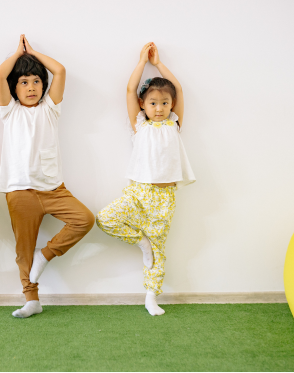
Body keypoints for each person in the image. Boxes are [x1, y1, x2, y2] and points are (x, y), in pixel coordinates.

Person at [0, 35, 94, 318]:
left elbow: (60, 70)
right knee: (23, 249)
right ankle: (32, 300)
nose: (31, 87)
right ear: (14, 88)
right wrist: (18, 54)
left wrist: (34, 53)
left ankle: (45, 256)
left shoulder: (50, 109)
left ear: (44, 86)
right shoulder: (9, 112)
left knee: (85, 219)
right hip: (20, 191)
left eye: (36, 81)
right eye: (24, 82)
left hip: (53, 189)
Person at [96, 42, 195, 316]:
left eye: (165, 102)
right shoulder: (140, 125)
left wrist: (160, 64)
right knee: (105, 219)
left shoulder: (174, 123)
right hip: (138, 193)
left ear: (171, 104)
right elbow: (129, 90)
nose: (160, 108)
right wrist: (142, 61)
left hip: (165, 198)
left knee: (160, 250)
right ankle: (142, 243)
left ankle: (151, 296)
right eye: (153, 103)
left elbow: (180, 90)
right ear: (143, 105)